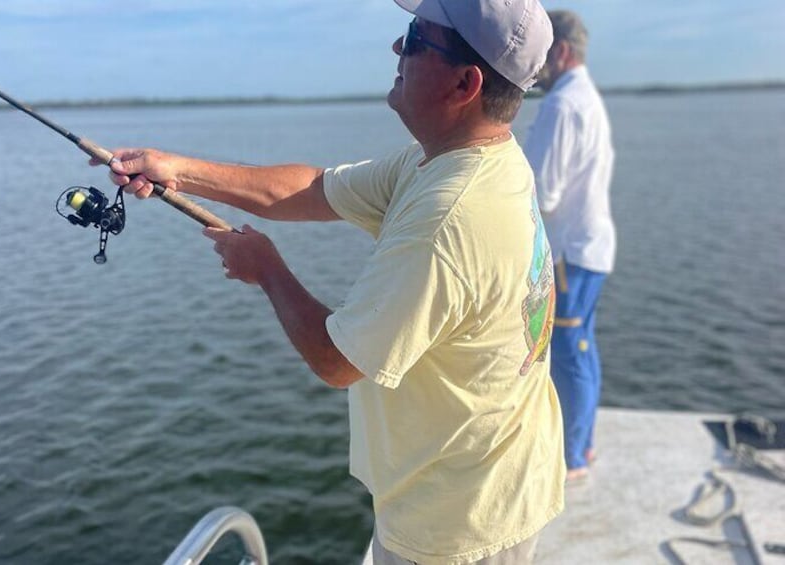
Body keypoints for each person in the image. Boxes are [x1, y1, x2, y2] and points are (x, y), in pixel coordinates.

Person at [98, 1, 564, 562]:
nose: (397, 48)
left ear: (466, 83)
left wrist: (267, 269)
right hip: (495, 475)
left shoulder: (449, 220)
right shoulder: (461, 160)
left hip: (460, 523)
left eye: (416, 37)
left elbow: (339, 360)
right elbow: (311, 189)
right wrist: (175, 167)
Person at [523, 10, 616, 481]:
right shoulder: (585, 97)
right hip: (587, 249)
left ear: (560, 52)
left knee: (569, 351)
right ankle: (584, 446)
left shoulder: (562, 105)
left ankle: (572, 458)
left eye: (539, 58)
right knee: (582, 347)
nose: (532, 69)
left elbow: (541, 191)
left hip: (568, 255)